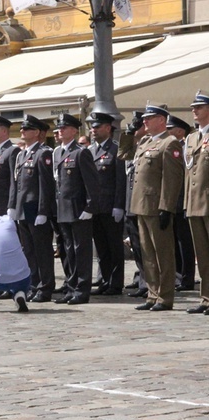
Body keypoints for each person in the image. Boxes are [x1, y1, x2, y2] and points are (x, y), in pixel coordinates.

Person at [130, 104, 184, 311]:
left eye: (149, 118)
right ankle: (152, 294)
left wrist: (166, 207)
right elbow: (125, 154)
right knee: (147, 254)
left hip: (156, 206)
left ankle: (165, 297)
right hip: (141, 205)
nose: (145, 121)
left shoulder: (169, 143)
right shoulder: (144, 142)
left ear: (162, 120)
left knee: (163, 254)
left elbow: (172, 180)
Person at [52, 114, 99, 305]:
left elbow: (92, 183)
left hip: (79, 209)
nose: (60, 130)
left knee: (81, 251)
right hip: (63, 209)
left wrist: (90, 206)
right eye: (59, 128)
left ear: (74, 130)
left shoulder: (81, 152)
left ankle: (82, 289)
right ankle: (71, 287)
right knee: (68, 251)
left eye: (64, 127)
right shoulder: (58, 152)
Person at [8, 115, 56, 303]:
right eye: (22, 129)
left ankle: (45, 287)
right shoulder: (22, 154)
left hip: (35, 206)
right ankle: (33, 284)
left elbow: (45, 185)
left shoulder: (43, 153)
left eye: (26, 129)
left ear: (36, 133)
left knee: (42, 250)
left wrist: (43, 211)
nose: (22, 132)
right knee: (28, 250)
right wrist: (12, 205)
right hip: (22, 206)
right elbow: (16, 183)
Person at [86, 112, 127, 296]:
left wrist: (119, 205)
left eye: (97, 126)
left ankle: (115, 283)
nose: (93, 130)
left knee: (114, 247)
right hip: (96, 207)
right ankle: (103, 280)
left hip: (111, 207)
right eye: (92, 127)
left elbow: (120, 181)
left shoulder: (116, 150)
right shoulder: (90, 151)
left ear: (108, 128)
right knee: (101, 248)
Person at [184, 91, 209, 314]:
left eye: (199, 106)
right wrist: (186, 203)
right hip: (194, 203)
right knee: (201, 254)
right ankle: (206, 298)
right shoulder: (192, 138)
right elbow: (188, 172)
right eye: (193, 107)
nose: (194, 110)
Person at [166, 114, 196, 291]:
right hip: (172, 202)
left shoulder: (185, 148)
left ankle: (187, 278)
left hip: (183, 201)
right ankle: (178, 276)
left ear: (179, 131)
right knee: (174, 241)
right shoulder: (172, 147)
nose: (168, 132)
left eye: (170, 129)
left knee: (185, 243)